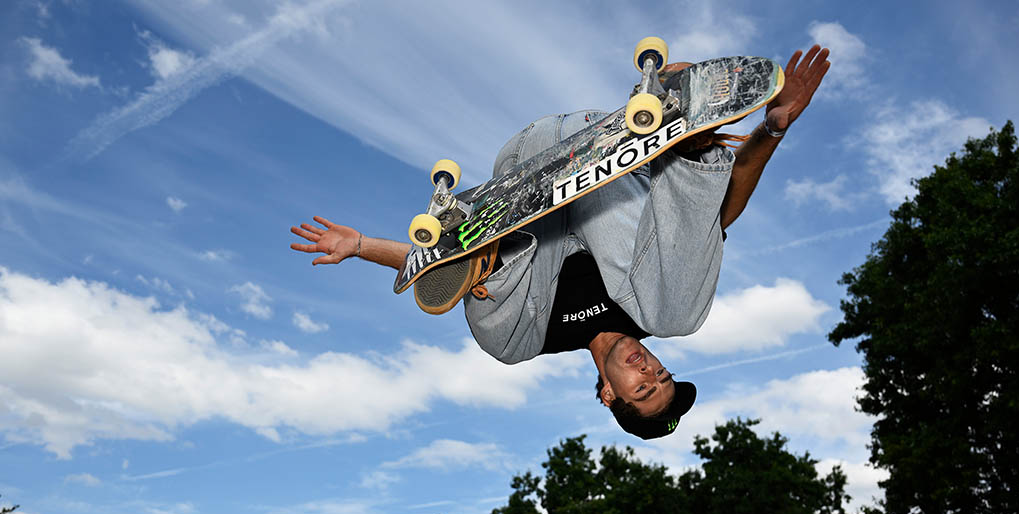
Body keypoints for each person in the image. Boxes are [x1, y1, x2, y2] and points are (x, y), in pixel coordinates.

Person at [290, 46, 830, 440]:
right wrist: (773, 129)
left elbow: (429, 271)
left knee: (509, 351)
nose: (648, 368)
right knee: (679, 315)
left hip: (522, 177)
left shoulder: (540, 334)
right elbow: (717, 220)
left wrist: (360, 245)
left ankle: (482, 259)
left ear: (608, 394)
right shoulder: (656, 301)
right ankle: (689, 144)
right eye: (661, 373)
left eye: (642, 387)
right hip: (594, 150)